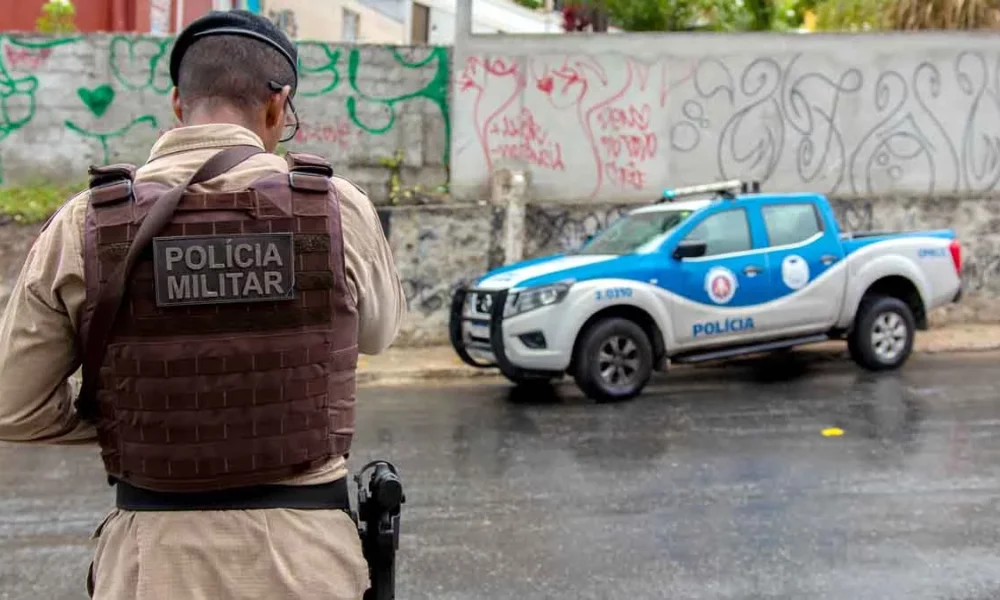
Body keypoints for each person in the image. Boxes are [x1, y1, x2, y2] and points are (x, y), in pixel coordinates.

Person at [0, 10, 406, 600]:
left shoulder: (85, 223)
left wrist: (139, 415)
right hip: (305, 561)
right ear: (277, 106)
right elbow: (378, 334)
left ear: (176, 104)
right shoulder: (336, 209)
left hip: (149, 564)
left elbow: (13, 407)